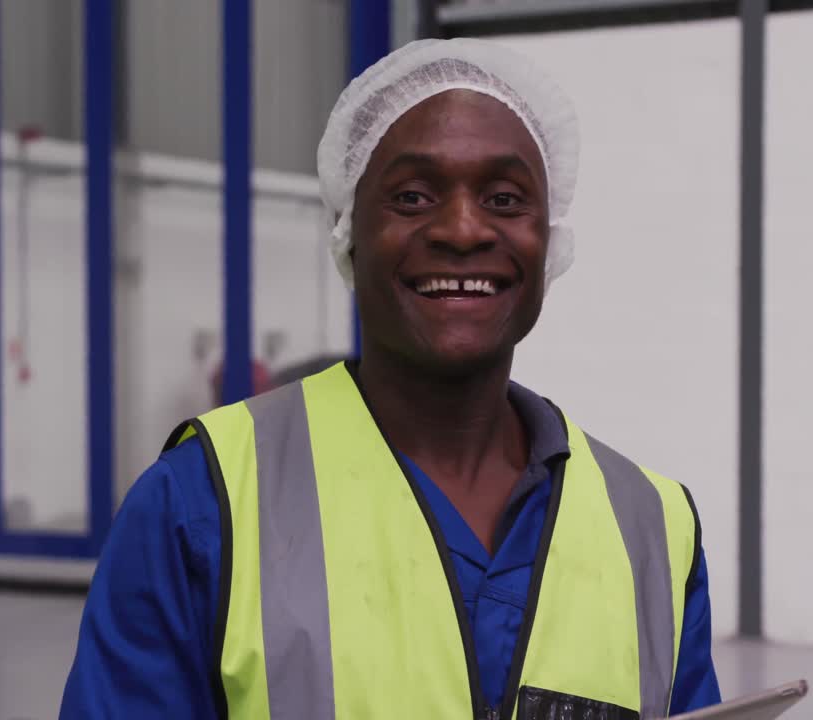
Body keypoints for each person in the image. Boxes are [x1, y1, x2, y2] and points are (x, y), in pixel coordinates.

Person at [60, 38, 720, 720]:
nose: (463, 230)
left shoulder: (652, 527)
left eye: (503, 197)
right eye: (411, 196)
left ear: (548, 239)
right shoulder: (203, 502)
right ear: (348, 232)